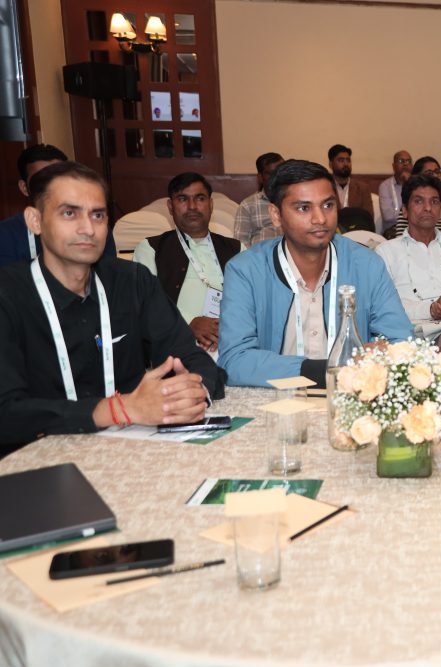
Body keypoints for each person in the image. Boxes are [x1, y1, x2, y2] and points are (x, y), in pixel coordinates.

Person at [0, 162, 223, 455]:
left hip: (132, 448)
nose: (88, 228)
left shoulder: (132, 281)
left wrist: (192, 393)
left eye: (98, 215)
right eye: (69, 213)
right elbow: (7, 413)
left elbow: (191, 356)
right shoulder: (9, 295)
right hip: (36, 460)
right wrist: (116, 410)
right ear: (35, 220)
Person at [218, 160, 412, 388]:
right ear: (276, 215)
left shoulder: (367, 265)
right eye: (303, 208)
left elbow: (403, 343)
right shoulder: (245, 271)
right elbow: (234, 361)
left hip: (352, 399)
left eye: (328, 205)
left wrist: (382, 354)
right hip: (275, 401)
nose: (320, 218)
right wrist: (324, 371)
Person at [134, 172, 243, 354]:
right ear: (170, 206)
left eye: (200, 198)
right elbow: (144, 306)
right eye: (183, 199)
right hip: (177, 346)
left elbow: (252, 301)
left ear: (211, 204)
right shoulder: (150, 249)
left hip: (231, 344)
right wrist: (187, 324)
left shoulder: (237, 248)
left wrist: (228, 326)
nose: (192, 206)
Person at [376, 174, 441, 336]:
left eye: (434, 201)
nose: (428, 208)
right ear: (405, 210)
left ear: (440, 209)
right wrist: (430, 309)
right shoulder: (386, 252)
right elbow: (385, 306)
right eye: (419, 201)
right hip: (410, 334)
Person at [0, 144, 115, 267]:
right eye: (41, 180)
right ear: (24, 188)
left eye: (60, 179)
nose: (53, 186)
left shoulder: (95, 229)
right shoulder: (6, 234)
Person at [391, 156, 441, 240]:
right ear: (417, 176)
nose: (435, 176)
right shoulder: (409, 206)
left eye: (437, 171)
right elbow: (400, 238)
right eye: (429, 173)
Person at [233, 152, 283, 247]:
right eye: (271, 173)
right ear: (260, 177)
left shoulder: (295, 201)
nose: (277, 177)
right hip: (261, 258)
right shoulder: (248, 205)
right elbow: (241, 243)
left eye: (280, 172)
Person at [327, 144, 373, 215]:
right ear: (330, 164)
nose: (346, 164)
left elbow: (369, 217)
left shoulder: (362, 188)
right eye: (341, 160)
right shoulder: (325, 187)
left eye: (348, 160)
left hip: (357, 225)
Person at [377, 150, 412, 233]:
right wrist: (411, 214)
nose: (405, 164)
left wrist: (409, 183)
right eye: (401, 161)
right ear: (393, 166)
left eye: (408, 161)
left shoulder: (417, 185)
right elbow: (388, 216)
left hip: (415, 231)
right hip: (392, 232)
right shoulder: (385, 186)